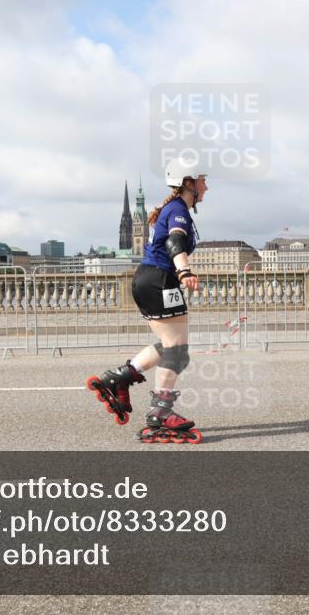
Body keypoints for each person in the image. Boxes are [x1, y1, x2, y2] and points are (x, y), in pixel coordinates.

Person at [86, 156, 207, 444]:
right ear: (188, 183)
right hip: (159, 280)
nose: (206, 186)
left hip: (151, 280)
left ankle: (119, 377)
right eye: (202, 180)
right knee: (177, 352)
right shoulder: (177, 209)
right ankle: (161, 413)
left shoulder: (174, 208)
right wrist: (185, 269)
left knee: (172, 346)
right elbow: (174, 241)